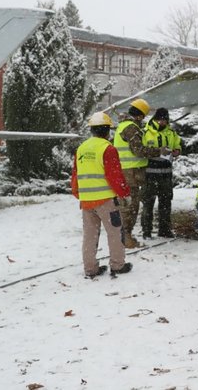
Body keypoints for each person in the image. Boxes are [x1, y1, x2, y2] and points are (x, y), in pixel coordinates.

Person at [72, 112, 133, 278]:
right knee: (115, 232)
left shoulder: (81, 148)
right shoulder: (108, 148)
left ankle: (90, 269)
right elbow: (115, 175)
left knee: (90, 235)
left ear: (92, 130)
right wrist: (125, 193)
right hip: (106, 201)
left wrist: (79, 194)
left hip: (86, 202)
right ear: (107, 131)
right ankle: (118, 265)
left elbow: (75, 175)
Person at [113, 98, 166, 248]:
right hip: (131, 173)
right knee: (131, 206)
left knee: (126, 204)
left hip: (126, 171)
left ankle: (124, 236)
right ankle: (126, 237)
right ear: (140, 116)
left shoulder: (122, 125)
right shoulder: (131, 128)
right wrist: (158, 151)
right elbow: (138, 150)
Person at [141, 107, 182, 238]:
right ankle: (146, 231)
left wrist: (177, 151)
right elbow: (141, 151)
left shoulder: (171, 133)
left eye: (165, 120)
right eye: (160, 120)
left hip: (166, 174)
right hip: (150, 174)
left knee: (165, 203)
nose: (163, 123)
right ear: (155, 119)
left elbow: (178, 145)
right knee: (148, 203)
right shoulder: (146, 132)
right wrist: (157, 151)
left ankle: (164, 230)